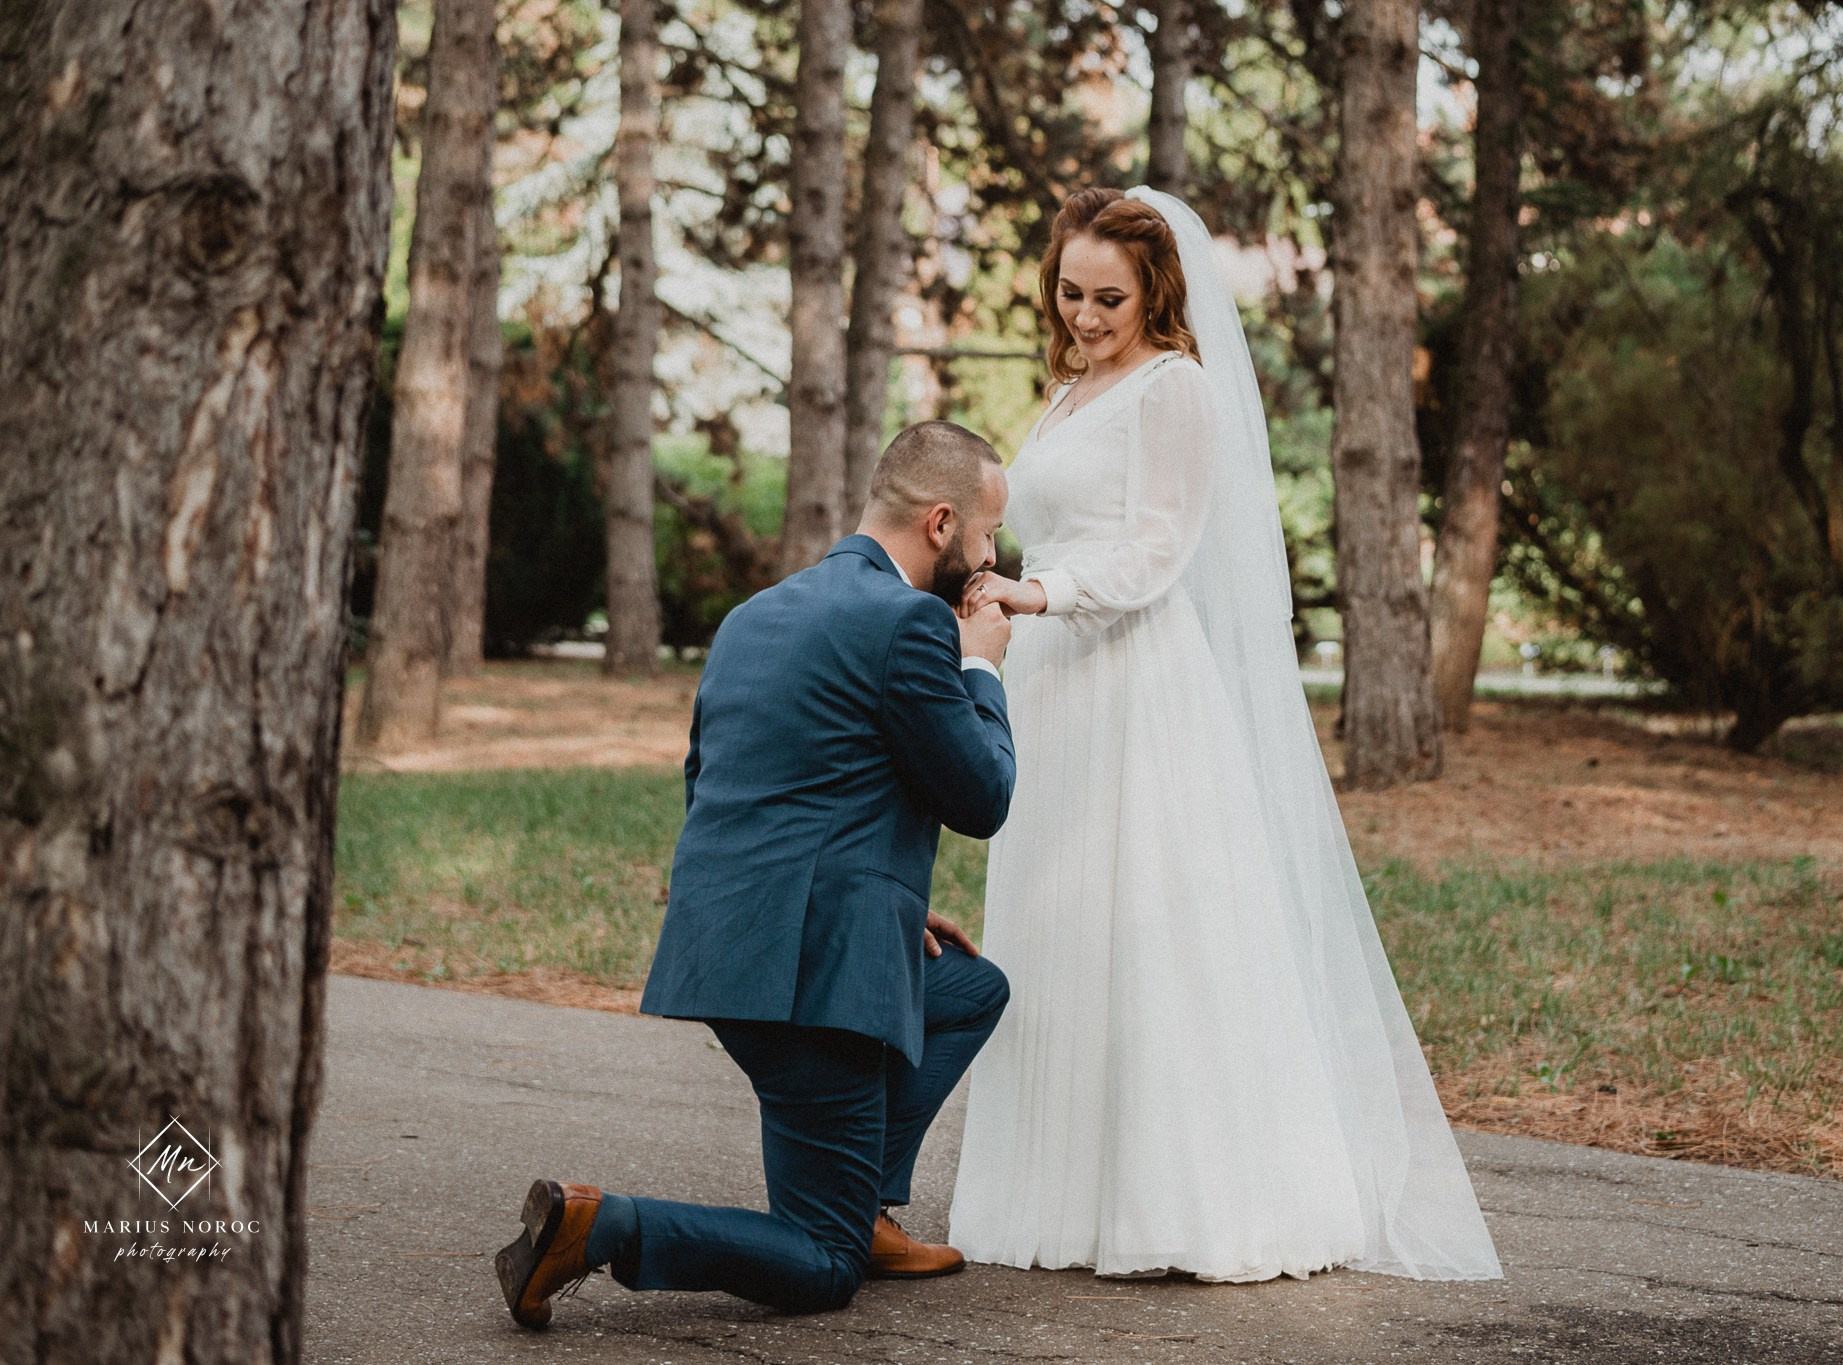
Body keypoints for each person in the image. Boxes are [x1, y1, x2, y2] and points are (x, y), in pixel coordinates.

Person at [948, 188, 1502, 1283]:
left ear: (1156, 291)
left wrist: (1037, 593)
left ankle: (1179, 1200)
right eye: (1070, 291)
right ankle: (1057, 1196)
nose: (1087, 314)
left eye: (1110, 296)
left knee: (1145, 929)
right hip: (1047, 675)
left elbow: (1157, 554)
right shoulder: (1067, 391)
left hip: (1131, 682)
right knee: (1052, 921)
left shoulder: (1176, 390)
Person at [496, 420, 1019, 1325]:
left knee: (968, 988)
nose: (989, 554)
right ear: (941, 522)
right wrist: (982, 666)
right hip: (814, 980)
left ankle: (866, 1206)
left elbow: (723, 777)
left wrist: (892, 901)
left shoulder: (757, 614)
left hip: (730, 947)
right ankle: (601, 1224)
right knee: (821, 1265)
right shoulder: (912, 624)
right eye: (985, 533)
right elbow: (982, 797)